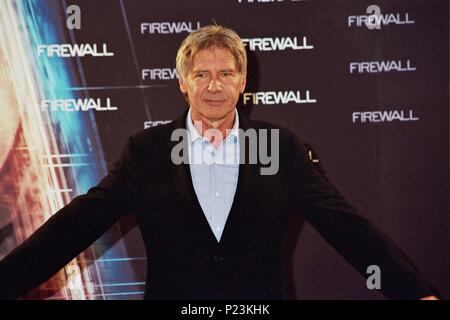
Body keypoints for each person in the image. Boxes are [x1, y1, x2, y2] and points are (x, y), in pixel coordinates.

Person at [0, 25, 439, 300]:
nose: (214, 85)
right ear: (183, 82)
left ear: (243, 81)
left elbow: (348, 229)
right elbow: (76, 225)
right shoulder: (147, 152)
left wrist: (413, 292)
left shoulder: (280, 147)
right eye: (202, 74)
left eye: (226, 73)